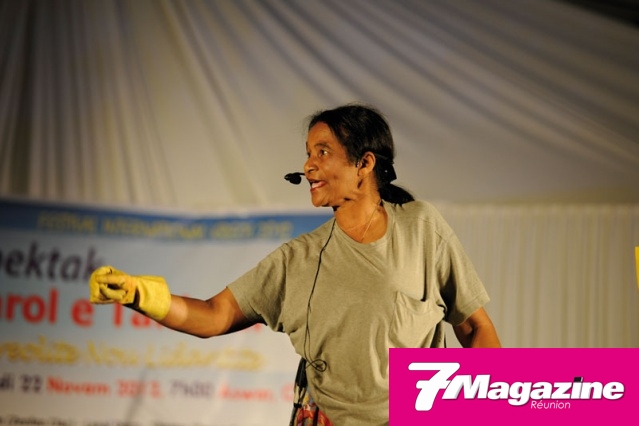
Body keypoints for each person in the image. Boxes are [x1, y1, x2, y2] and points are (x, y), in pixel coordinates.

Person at [89, 103, 501, 426]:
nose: (308, 166)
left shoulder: (421, 226)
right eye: (307, 154)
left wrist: (487, 409)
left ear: (364, 163)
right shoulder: (298, 259)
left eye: (323, 152)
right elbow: (215, 315)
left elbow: (475, 328)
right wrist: (144, 296)